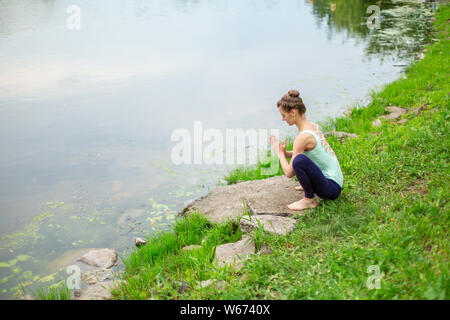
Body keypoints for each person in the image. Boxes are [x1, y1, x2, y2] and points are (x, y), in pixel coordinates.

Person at [270, 90, 343, 211]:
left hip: (331, 189)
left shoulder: (302, 137)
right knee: (299, 159)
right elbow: (313, 153)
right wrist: (286, 153)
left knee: (298, 161)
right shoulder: (312, 126)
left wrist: (279, 153)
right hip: (336, 181)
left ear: (293, 112)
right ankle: (310, 186)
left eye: (283, 115)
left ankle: (309, 200)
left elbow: (289, 172)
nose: (283, 119)